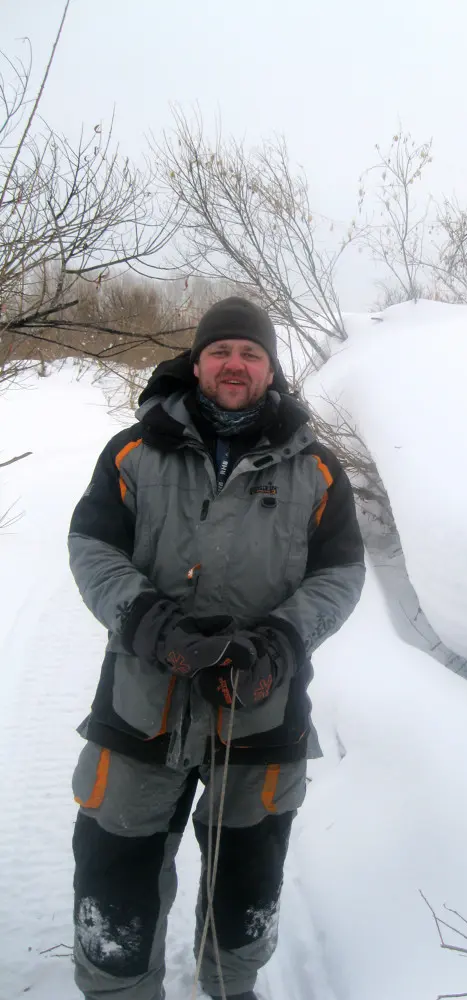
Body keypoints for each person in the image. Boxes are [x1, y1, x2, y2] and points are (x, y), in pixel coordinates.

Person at [68, 297, 365, 1000]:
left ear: (271, 368)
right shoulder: (133, 451)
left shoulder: (316, 469)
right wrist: (147, 621)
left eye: (251, 353)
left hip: (260, 710)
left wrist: (282, 641)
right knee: (116, 877)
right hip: (144, 703)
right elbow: (91, 547)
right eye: (222, 351)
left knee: (248, 881)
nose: (236, 364)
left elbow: (341, 573)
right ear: (197, 362)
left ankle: (231, 988)